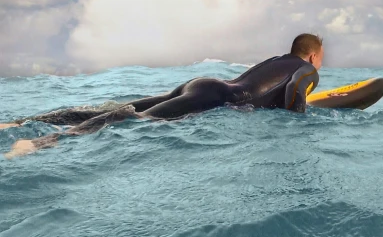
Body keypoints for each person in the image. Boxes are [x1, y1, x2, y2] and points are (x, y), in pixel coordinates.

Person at [3, 33, 324, 159]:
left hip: (202, 84)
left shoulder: (276, 60)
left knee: (120, 107)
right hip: (216, 99)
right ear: (312, 56)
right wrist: (299, 122)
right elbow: (296, 89)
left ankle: (21, 122)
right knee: (133, 118)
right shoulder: (306, 69)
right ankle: (38, 142)